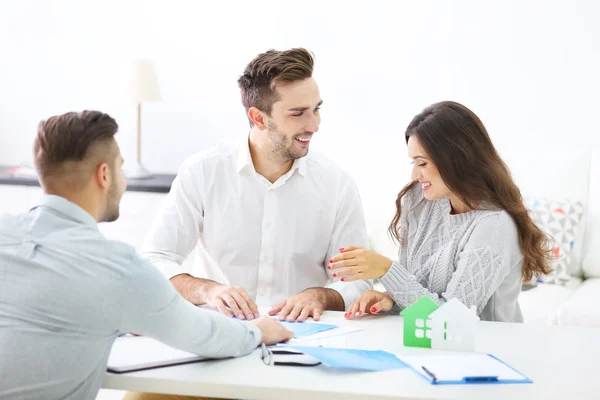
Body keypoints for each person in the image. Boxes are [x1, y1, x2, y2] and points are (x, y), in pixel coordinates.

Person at [0, 111, 293, 400]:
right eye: (120, 168)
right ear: (104, 175)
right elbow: (200, 334)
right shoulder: (116, 267)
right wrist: (256, 332)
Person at [141, 48, 371, 323]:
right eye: (297, 113)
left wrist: (319, 295)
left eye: (316, 110)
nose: (314, 125)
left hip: (306, 337)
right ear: (259, 118)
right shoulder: (203, 172)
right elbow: (154, 260)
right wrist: (207, 290)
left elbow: (358, 282)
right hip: (219, 331)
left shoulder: (337, 184)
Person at [329, 101, 552, 322]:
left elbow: (451, 321)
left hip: (486, 348)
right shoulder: (419, 202)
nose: (415, 175)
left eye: (422, 163)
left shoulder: (493, 226)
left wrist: (387, 271)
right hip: (428, 342)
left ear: (456, 159)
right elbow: (420, 291)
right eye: (413, 163)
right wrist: (392, 299)